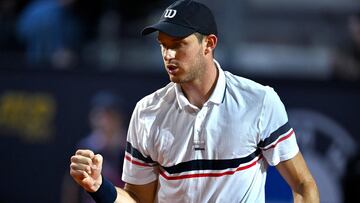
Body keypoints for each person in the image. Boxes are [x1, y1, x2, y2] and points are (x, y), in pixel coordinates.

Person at [69, 1, 319, 202]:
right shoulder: (147, 112)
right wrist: (100, 188)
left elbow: (302, 184)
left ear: (208, 44)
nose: (168, 55)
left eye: (178, 45)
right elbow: (137, 200)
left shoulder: (259, 101)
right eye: (162, 46)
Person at [63, 91, 127, 203]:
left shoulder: (130, 147)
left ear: (118, 118)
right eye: (99, 115)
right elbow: (72, 186)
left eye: (109, 116)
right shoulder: (85, 147)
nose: (103, 121)